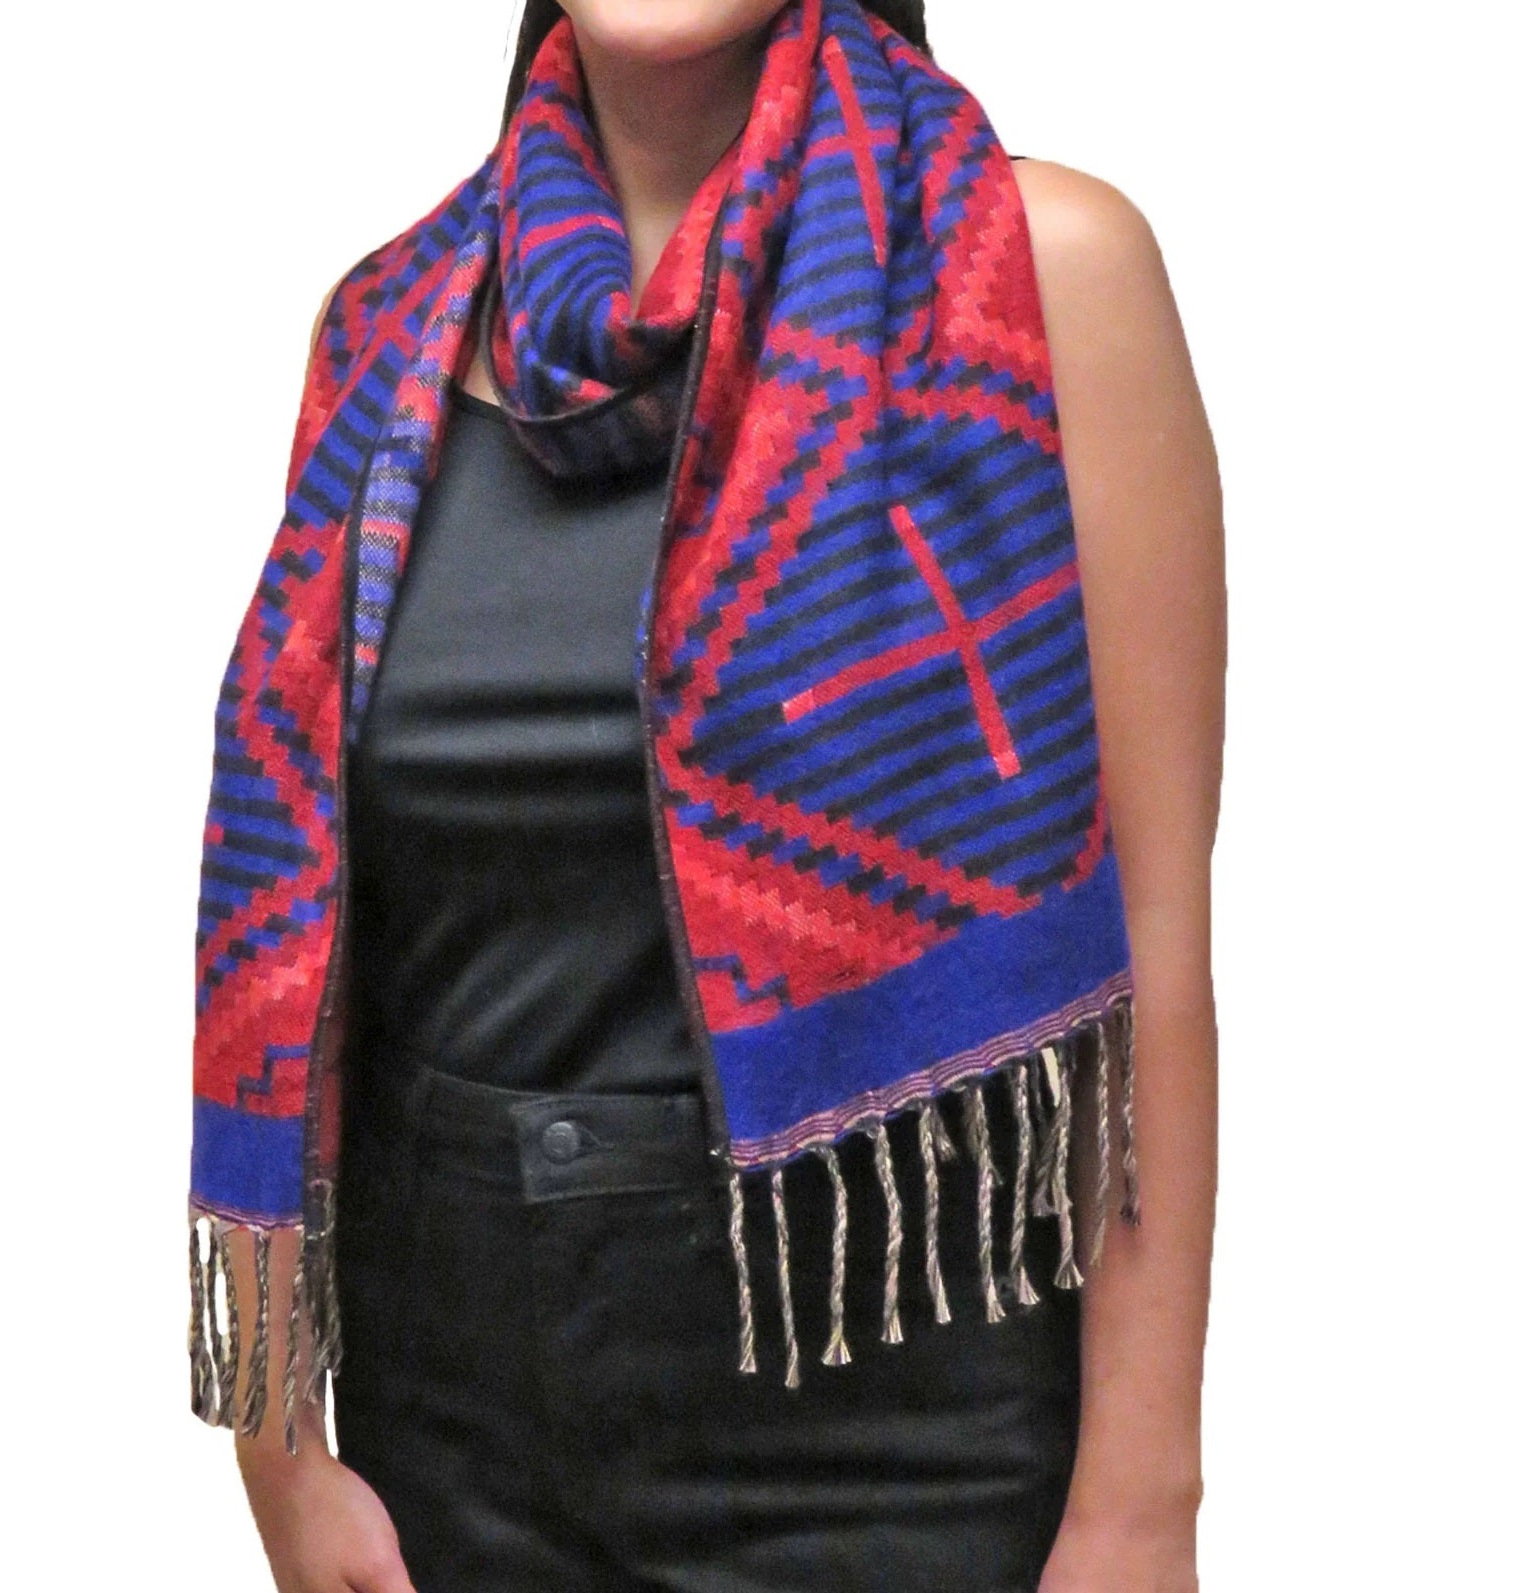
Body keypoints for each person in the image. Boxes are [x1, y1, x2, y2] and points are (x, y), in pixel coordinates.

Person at [191, 2, 1222, 1589]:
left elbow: (1148, 932)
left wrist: (1140, 1504)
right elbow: (310, 927)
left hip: (897, 1432)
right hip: (451, 1437)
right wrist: (282, 1447)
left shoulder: (1038, 263)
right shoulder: (383, 327)